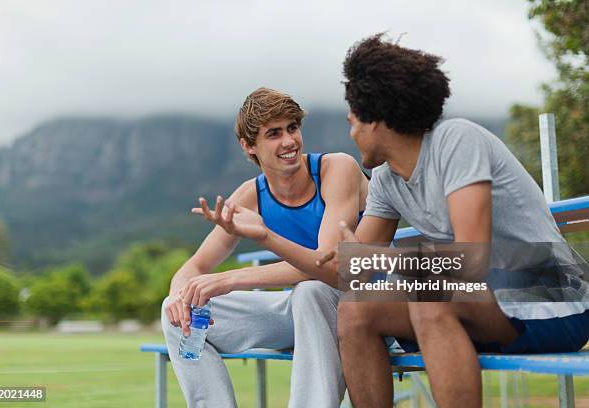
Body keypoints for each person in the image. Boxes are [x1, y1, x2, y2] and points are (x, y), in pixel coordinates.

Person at [196, 35, 589, 408]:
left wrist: (385, 263)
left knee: (427, 301)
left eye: (353, 122)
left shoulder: (457, 141)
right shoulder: (385, 180)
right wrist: (266, 236)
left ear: (378, 121)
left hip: (553, 300)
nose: (350, 133)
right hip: (477, 305)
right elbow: (345, 274)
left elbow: (471, 263)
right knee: (354, 309)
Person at [161, 87, 369, 408]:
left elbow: (329, 266)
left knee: (311, 292)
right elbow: (195, 267)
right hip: (304, 311)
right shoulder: (250, 195)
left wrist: (231, 278)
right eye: (273, 133)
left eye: (292, 128)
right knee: (176, 309)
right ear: (249, 145)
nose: (288, 141)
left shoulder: (336, 169)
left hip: (363, 303)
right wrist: (179, 296)